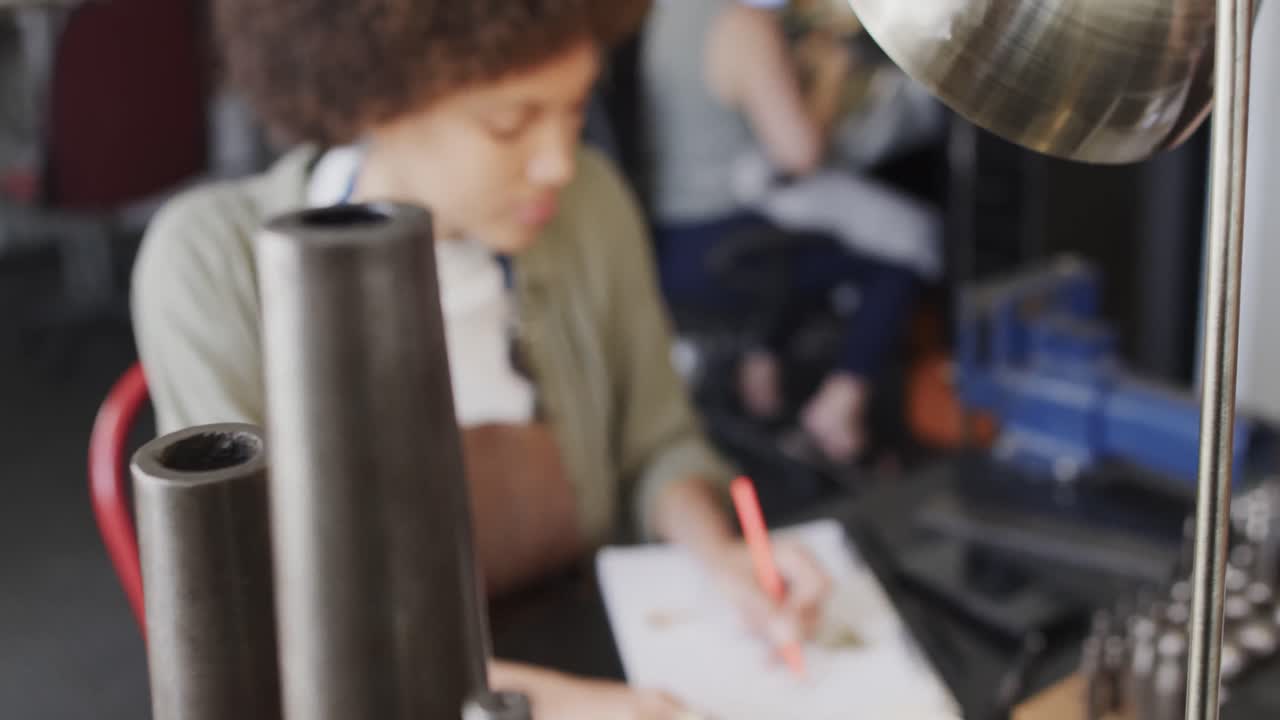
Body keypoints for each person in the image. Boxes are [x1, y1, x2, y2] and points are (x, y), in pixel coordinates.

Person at [131, 0, 830, 716]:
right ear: (380, 98)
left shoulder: (590, 206)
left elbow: (657, 444)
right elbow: (256, 611)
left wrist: (718, 556)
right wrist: (549, 704)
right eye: (509, 123)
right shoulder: (212, 262)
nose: (559, 162)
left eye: (575, 109)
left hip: (586, 630)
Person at [643, 0, 921, 465]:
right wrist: (832, 72)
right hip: (725, 245)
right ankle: (838, 408)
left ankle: (762, 364)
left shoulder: (662, 13)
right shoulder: (743, 25)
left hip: (671, 246)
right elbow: (799, 155)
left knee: (810, 247)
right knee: (900, 256)